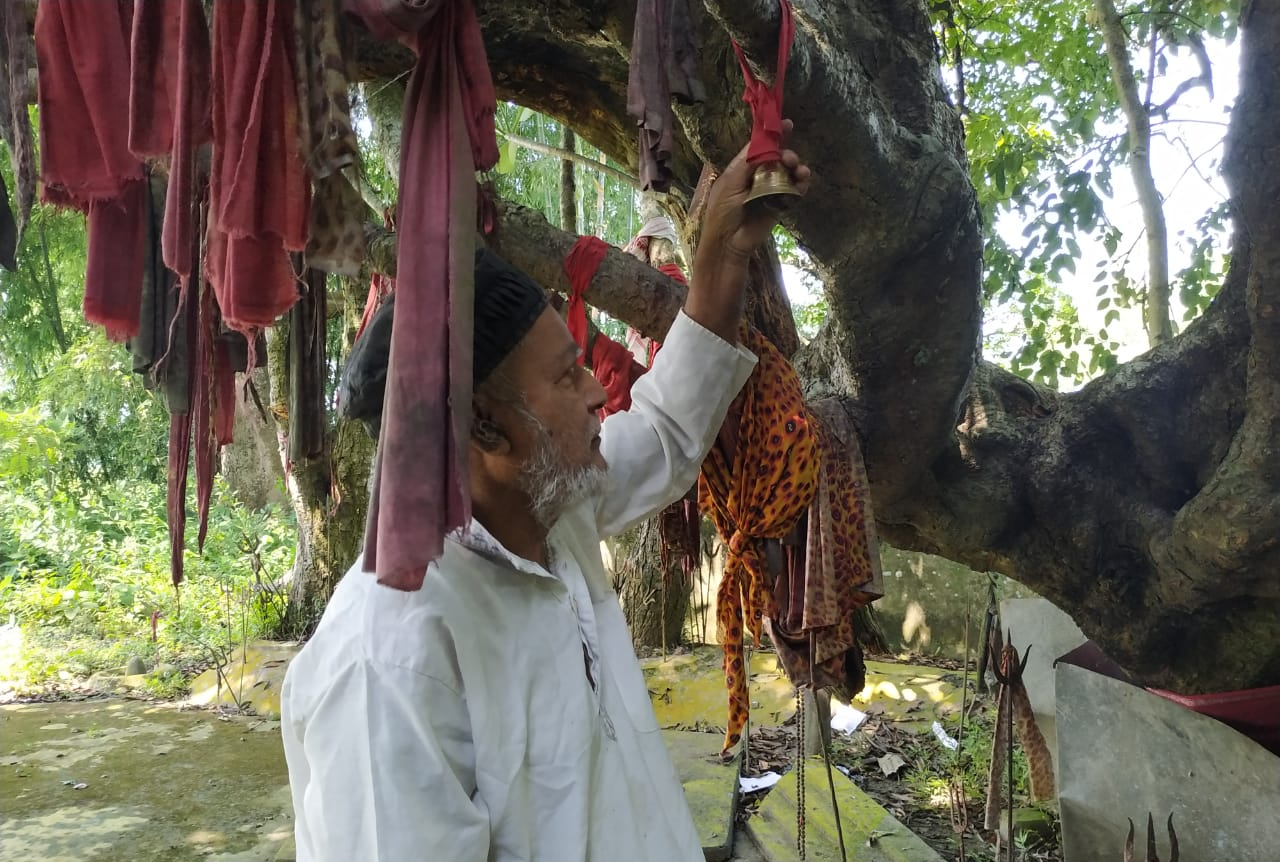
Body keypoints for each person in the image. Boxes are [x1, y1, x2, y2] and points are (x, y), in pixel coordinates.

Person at [280, 131, 811, 861]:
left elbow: (665, 427)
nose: (598, 390)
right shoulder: (389, 659)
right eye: (566, 377)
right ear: (484, 430)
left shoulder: (548, 509)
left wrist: (720, 251)